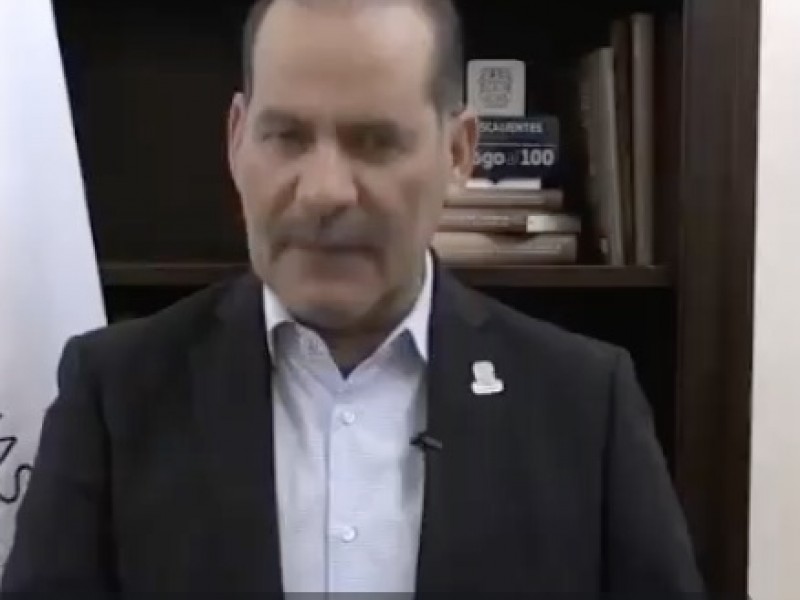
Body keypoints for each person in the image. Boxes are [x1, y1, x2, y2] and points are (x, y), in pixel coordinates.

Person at [1, 0, 706, 596]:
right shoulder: (115, 395)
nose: (324, 192)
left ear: (458, 152)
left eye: (374, 142)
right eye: (287, 137)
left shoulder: (585, 405)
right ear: (237, 140)